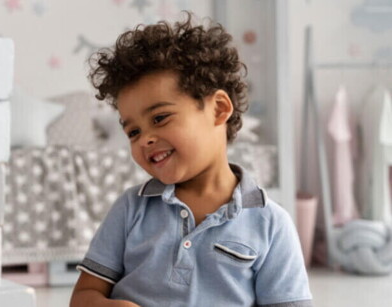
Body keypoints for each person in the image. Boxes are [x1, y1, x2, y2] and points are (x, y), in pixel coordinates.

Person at [69, 12, 312, 307]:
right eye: (133, 131)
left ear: (219, 109)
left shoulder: (271, 224)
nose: (144, 138)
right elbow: (83, 297)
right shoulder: (131, 209)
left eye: (160, 117)